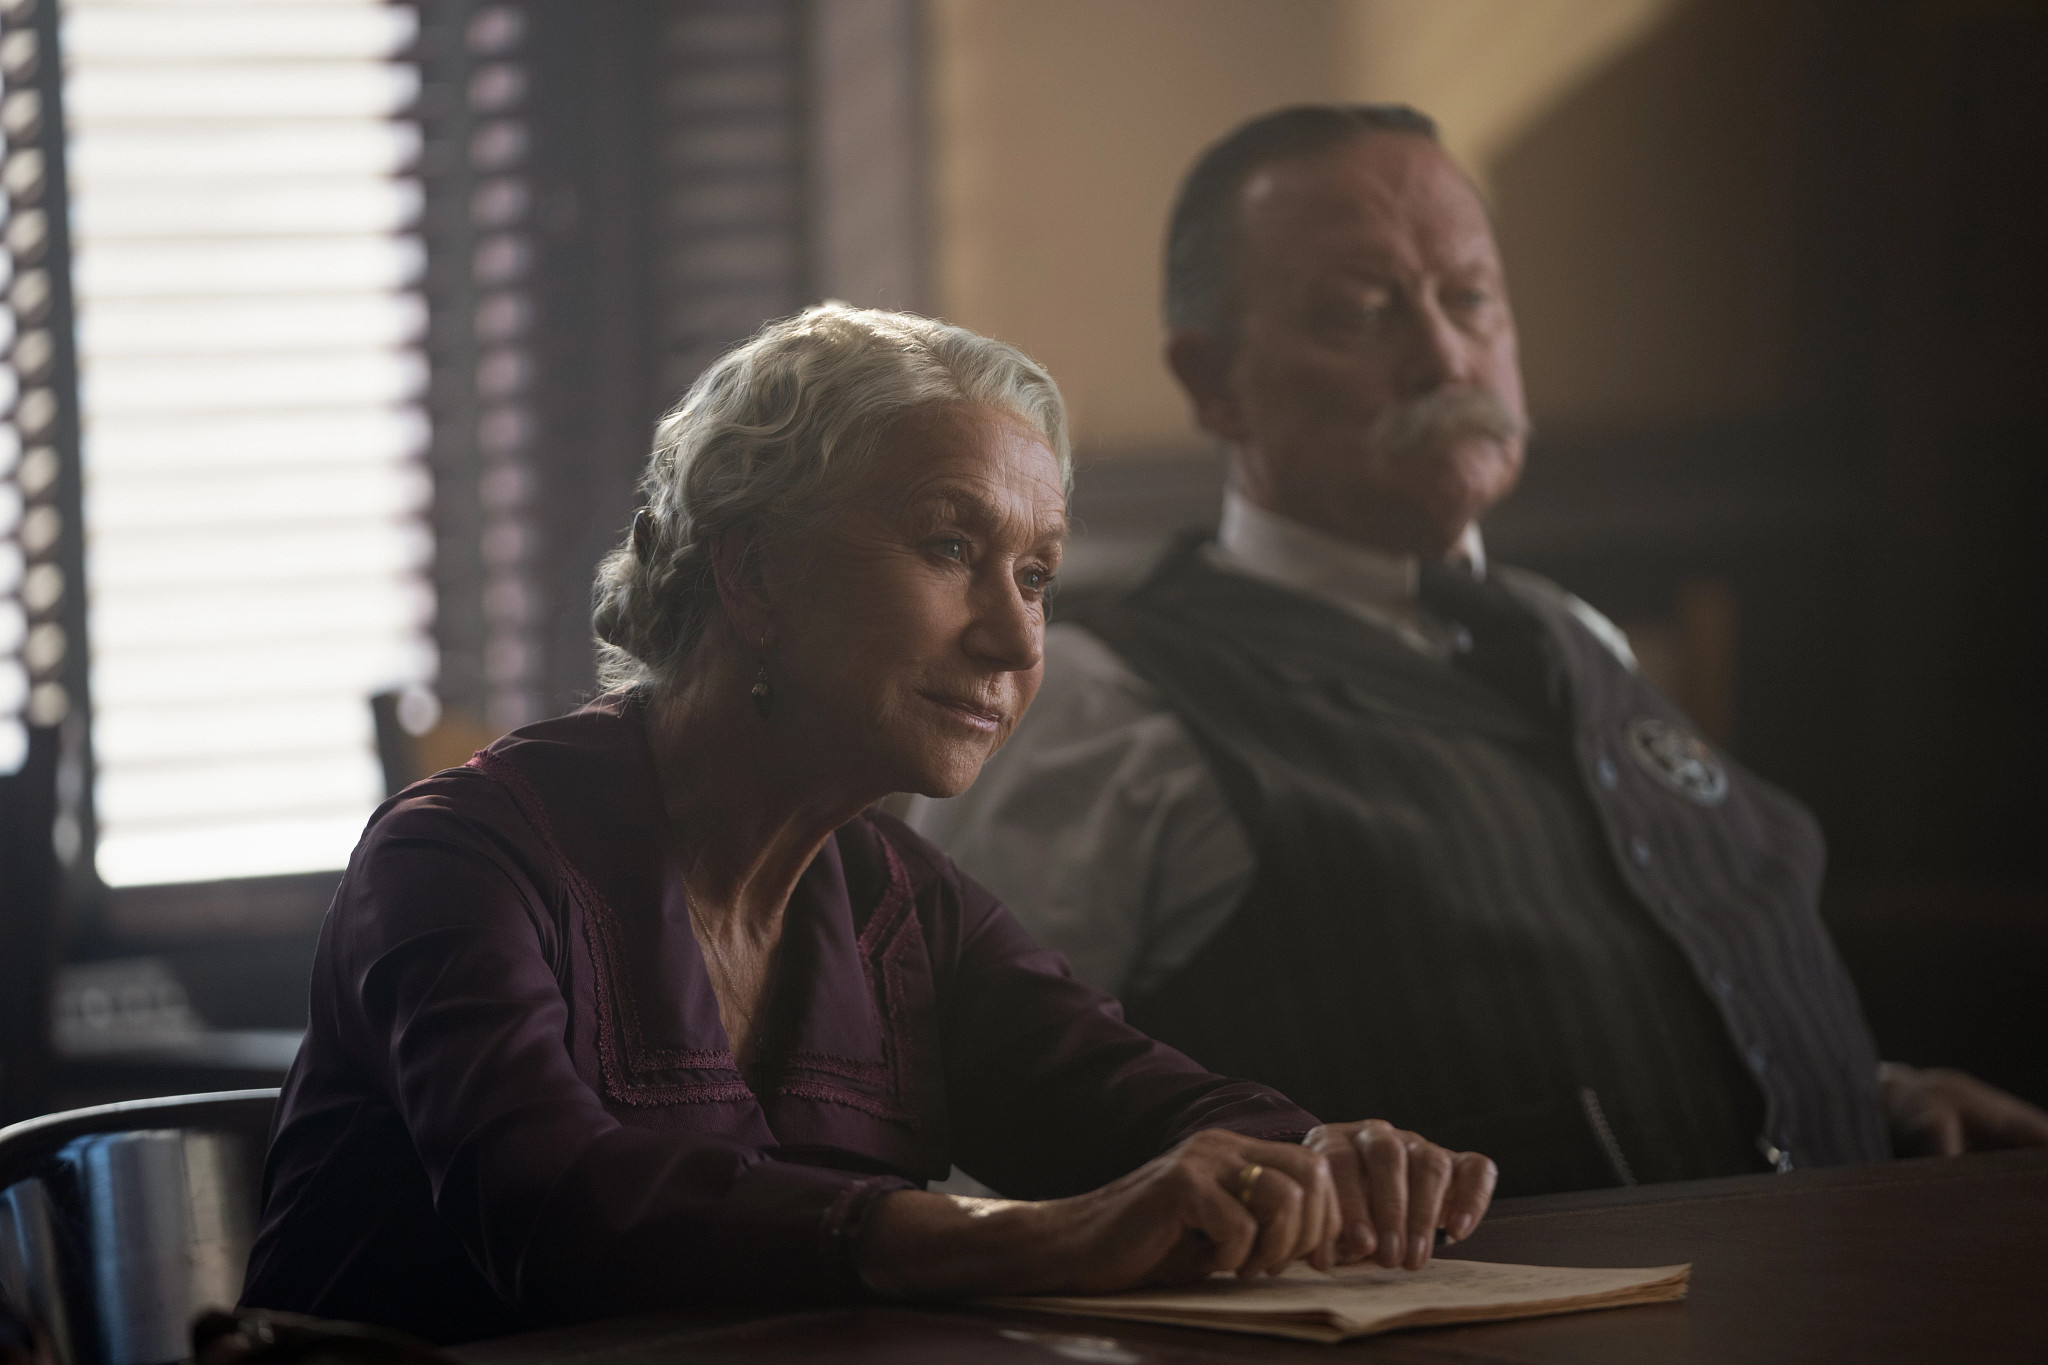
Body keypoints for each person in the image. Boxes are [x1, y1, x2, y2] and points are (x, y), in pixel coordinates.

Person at [240, 305, 1498, 1345]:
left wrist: (1314, 1160)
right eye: (950, 546)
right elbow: (555, 1214)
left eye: (1036, 575)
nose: (1013, 638)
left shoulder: (899, 899)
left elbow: (1133, 1102)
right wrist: (1021, 1233)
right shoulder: (459, 857)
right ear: (753, 577)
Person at [910, 106, 2048, 1197]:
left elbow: (1637, 979)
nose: (1443, 356)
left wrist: (1857, 1094)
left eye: (1470, 299)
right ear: (1213, 381)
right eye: (1361, 312)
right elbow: (986, 1128)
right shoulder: (1097, 703)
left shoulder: (1574, 636)